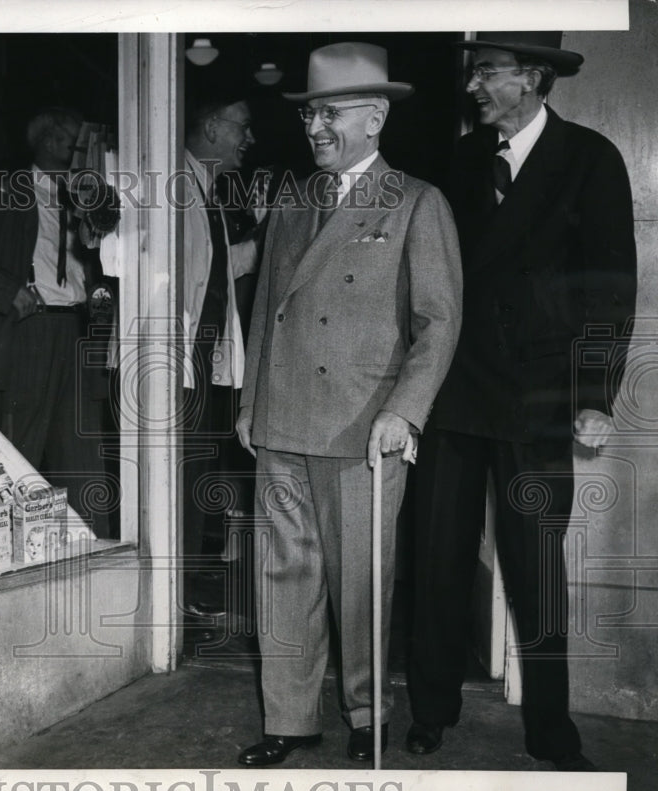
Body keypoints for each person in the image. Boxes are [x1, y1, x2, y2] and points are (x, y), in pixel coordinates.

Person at [406, 32, 637, 772]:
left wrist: (596, 393)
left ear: (533, 79)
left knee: (535, 567)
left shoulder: (591, 159)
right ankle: (432, 709)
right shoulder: (463, 160)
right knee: (437, 560)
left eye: (489, 73)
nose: (474, 86)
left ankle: (550, 726)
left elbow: (609, 286)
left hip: (540, 400)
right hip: (455, 391)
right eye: (476, 73)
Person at [235, 42, 462, 766]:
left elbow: (439, 320)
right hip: (282, 420)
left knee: (362, 585)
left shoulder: (417, 202)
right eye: (310, 116)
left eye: (331, 114)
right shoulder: (294, 200)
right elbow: (266, 308)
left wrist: (408, 410)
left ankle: (368, 717)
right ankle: (289, 719)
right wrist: (249, 404)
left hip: (363, 426)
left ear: (376, 116)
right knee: (282, 578)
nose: (316, 129)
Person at [0, 107, 110, 538]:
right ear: (50, 142)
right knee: (18, 457)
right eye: (77, 143)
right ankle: (10, 558)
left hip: (77, 333)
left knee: (85, 461)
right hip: (28, 334)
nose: (86, 152)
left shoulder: (89, 195)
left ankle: (93, 553)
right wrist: (7, 289)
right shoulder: (5, 191)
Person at [181, 87, 261, 615]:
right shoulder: (174, 187)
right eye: (241, 126)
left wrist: (267, 237)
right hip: (173, 362)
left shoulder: (205, 188)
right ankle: (170, 596)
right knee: (179, 474)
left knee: (192, 474)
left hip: (201, 361)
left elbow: (212, 272)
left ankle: (181, 592)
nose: (248, 139)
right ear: (212, 128)